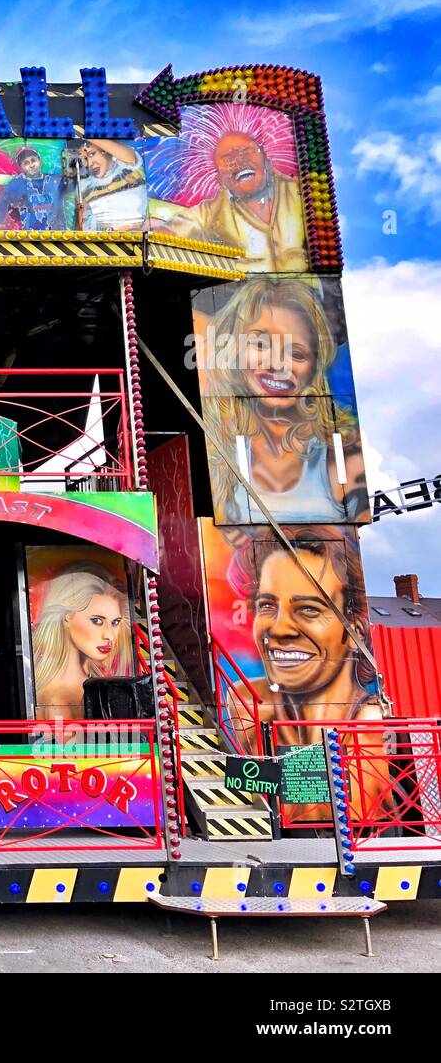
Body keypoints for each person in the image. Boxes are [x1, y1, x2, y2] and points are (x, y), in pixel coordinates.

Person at [227, 531, 388, 822]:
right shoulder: (246, 703)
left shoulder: (367, 723)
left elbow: (355, 812)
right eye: (267, 606)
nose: (279, 629)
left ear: (355, 633)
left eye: (308, 610)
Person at [200, 277, 367, 525]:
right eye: (259, 343)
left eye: (296, 353)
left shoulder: (343, 455)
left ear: (314, 368)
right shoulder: (216, 452)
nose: (277, 364)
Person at [160, 129, 308, 272]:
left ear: (266, 160)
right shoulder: (211, 212)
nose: (239, 162)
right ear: (220, 178)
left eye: (246, 152)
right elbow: (169, 232)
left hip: (308, 293)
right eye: (228, 159)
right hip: (243, 293)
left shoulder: (298, 191)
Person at [32, 564, 131, 720]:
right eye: (97, 621)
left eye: (115, 622)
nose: (109, 636)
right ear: (66, 616)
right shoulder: (58, 701)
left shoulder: (96, 680)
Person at [74, 139, 146, 231]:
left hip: (135, 239)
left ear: (105, 150)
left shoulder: (127, 167)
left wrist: (83, 134)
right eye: (84, 159)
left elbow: (129, 156)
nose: (89, 163)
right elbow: (80, 227)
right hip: (100, 242)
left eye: (92, 154)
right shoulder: (84, 186)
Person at [0, 146, 66, 230]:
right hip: (30, 234)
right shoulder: (17, 183)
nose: (31, 165)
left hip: (57, 234)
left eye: (33, 160)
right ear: (21, 167)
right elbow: (3, 199)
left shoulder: (55, 180)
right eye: (26, 163)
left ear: (39, 161)